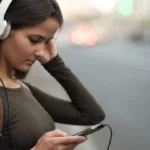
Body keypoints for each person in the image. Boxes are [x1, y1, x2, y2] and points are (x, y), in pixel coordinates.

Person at [0, 0, 105, 150]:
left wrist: (54, 63)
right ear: (3, 30)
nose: (41, 52)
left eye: (46, 42)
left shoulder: (23, 88)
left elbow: (91, 115)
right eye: (34, 40)